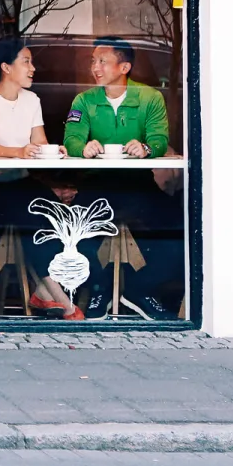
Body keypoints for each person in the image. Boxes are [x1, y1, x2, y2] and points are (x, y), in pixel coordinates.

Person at [0, 39, 82, 320]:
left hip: (18, 182)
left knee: (56, 215)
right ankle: (58, 299)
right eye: (26, 61)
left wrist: (54, 152)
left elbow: (38, 143)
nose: (33, 68)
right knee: (33, 219)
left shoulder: (32, 100)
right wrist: (20, 151)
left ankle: (47, 293)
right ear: (6, 67)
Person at [62, 37, 179, 319]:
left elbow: (159, 139)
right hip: (96, 182)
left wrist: (147, 148)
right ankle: (99, 288)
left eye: (102, 61)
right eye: (93, 61)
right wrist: (82, 147)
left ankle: (140, 289)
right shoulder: (85, 100)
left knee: (177, 228)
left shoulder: (149, 97)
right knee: (76, 233)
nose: (95, 67)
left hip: (137, 182)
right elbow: (71, 138)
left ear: (124, 66)